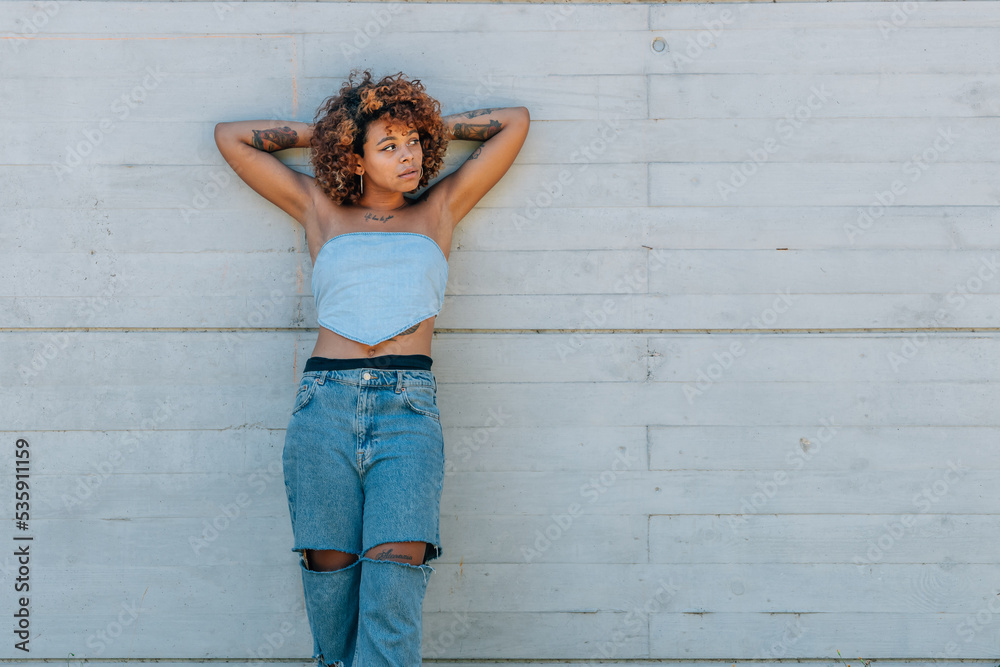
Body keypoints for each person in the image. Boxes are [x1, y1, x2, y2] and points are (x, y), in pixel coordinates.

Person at [214, 68, 530, 667]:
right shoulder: (318, 207)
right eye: (389, 146)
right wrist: (335, 131)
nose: (409, 155)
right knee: (330, 591)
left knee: (392, 584)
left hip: (407, 412)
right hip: (323, 408)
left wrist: (419, 123)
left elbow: (515, 123)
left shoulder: (439, 208)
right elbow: (231, 137)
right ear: (353, 157)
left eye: (413, 142)